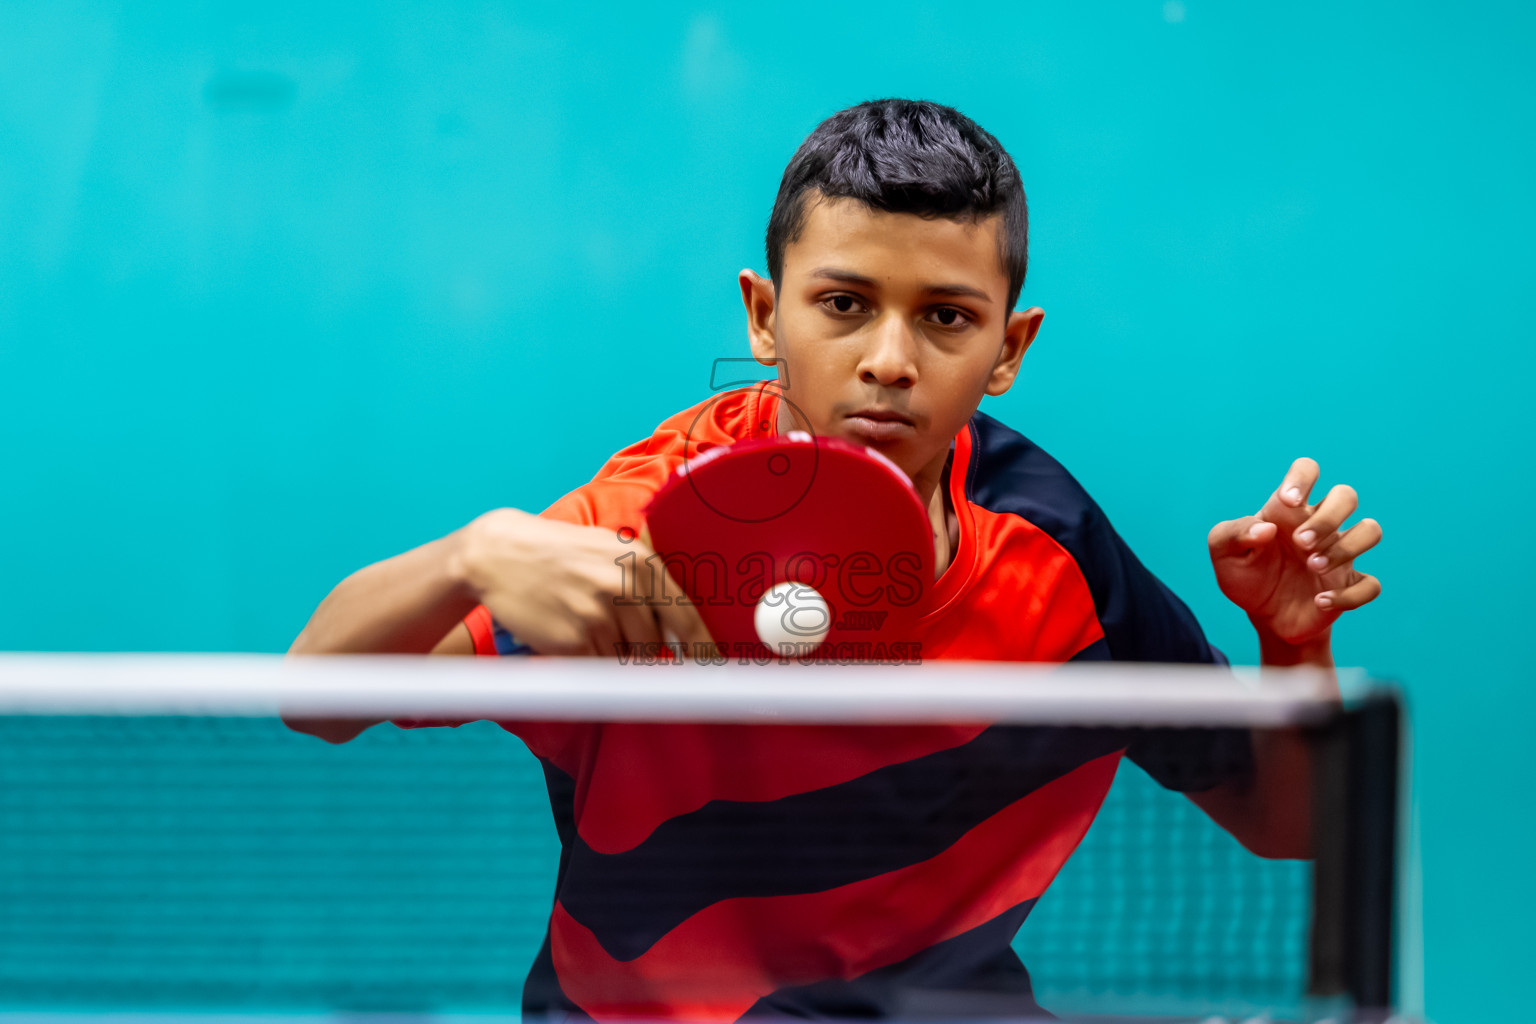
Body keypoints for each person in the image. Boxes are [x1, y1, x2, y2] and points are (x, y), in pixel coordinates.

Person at [286, 99, 1383, 1021]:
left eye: (946, 317)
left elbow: (1283, 824)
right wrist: (473, 555)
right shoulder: (643, 531)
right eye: (845, 306)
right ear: (766, 317)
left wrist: (1291, 641)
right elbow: (314, 700)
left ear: (1008, 347)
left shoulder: (1052, 547)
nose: (890, 361)